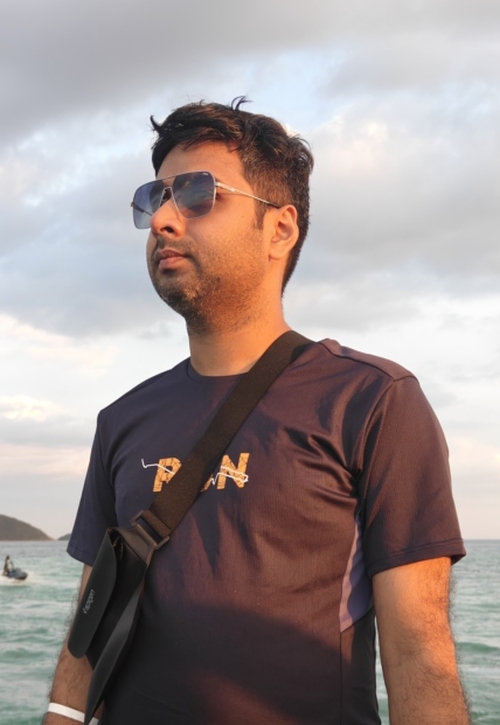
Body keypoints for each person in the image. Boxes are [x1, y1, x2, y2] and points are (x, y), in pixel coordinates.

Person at [44, 98, 470, 725]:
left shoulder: (372, 401)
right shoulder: (122, 419)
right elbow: (91, 622)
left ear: (280, 229)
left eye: (197, 193)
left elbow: (419, 654)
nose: (162, 218)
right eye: (154, 197)